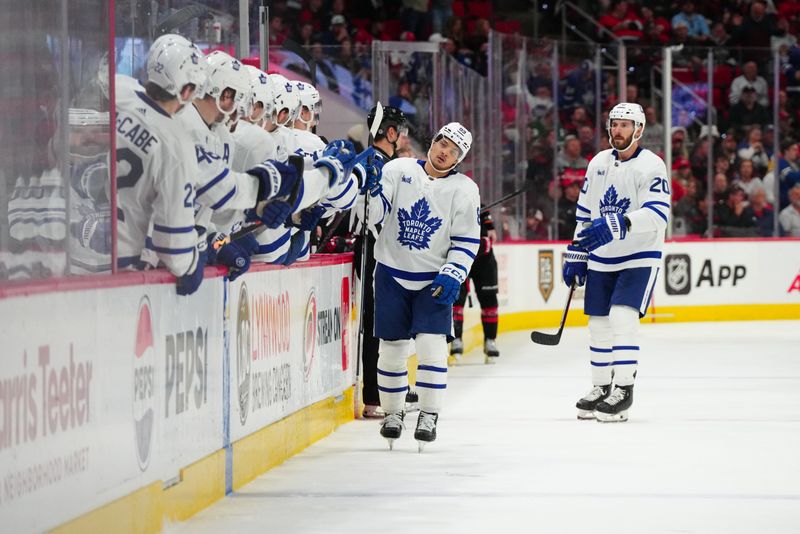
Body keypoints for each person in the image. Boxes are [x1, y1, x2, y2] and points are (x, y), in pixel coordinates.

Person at [358, 122, 480, 450]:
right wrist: (368, 192)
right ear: (434, 141)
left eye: (454, 151)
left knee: (431, 348)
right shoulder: (398, 169)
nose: (444, 152)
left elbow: (467, 238)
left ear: (460, 158)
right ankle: (394, 412)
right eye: (442, 143)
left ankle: (429, 413)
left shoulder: (464, 189)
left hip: (434, 279)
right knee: (392, 349)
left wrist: (454, 272)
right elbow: (373, 216)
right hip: (391, 274)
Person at [563, 103, 670, 423]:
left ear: (639, 130)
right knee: (598, 324)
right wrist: (578, 252)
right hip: (602, 257)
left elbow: (658, 215)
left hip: (639, 255)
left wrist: (617, 224)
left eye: (626, 125)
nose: (618, 131)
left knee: (622, 318)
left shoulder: (652, 165)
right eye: (615, 125)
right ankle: (600, 386)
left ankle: (624, 389)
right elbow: (584, 213)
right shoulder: (598, 163)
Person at [115, 35, 207, 295]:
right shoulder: (177, 144)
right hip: (121, 272)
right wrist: (191, 263)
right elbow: (173, 248)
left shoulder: (118, 91)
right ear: (186, 90)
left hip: (75, 251)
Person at [354, 105, 412, 419]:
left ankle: (389, 387)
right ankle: (374, 395)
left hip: (378, 248)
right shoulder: (379, 164)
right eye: (399, 131)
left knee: (385, 320)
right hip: (373, 249)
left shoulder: (382, 162)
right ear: (389, 133)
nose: (403, 137)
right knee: (378, 321)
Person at [451, 207, 500, 363]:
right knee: (456, 300)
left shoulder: (481, 207)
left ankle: (490, 341)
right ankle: (456, 339)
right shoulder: (451, 205)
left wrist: (489, 230)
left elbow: (491, 234)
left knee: (489, 300)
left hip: (484, 261)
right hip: (460, 257)